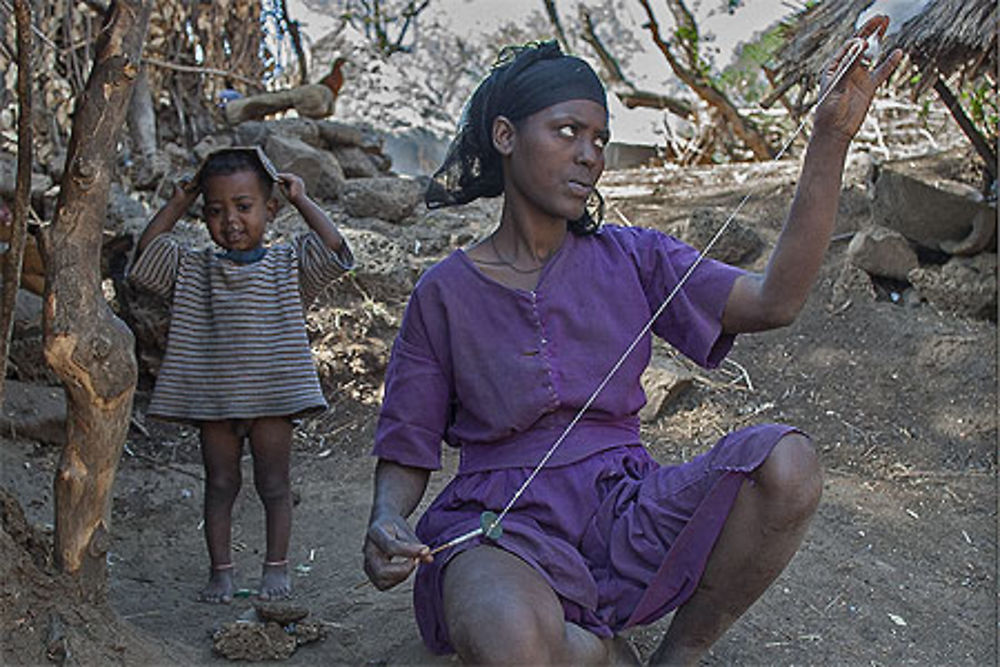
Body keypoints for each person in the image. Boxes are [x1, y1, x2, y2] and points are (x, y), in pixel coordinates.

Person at [363, 16, 900, 666]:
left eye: (599, 139)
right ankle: (589, 650)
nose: (591, 153)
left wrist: (829, 138)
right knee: (509, 637)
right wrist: (386, 518)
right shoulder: (443, 290)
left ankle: (675, 656)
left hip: (624, 511)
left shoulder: (633, 256)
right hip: (496, 525)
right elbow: (407, 443)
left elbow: (774, 300)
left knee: (787, 464)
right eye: (567, 131)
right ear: (505, 135)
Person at [129, 146, 354, 603]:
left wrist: (303, 201)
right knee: (219, 485)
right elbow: (148, 253)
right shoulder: (193, 268)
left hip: (273, 402)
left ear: (270, 209)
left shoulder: (288, 265)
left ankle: (276, 566)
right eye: (215, 210)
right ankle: (222, 572)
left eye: (244, 206)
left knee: (274, 485)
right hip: (215, 404)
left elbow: (334, 250)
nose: (230, 220)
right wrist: (177, 201)